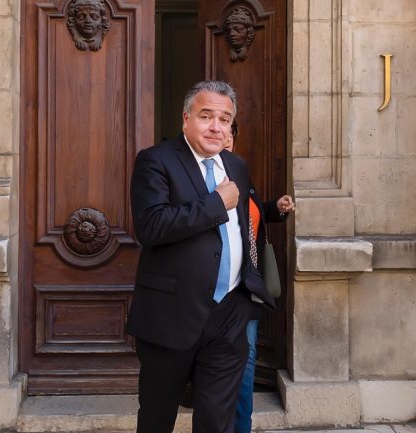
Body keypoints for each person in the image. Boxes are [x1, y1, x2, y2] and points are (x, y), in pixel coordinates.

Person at [127, 80, 275, 433]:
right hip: (171, 315)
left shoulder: (236, 166)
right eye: (206, 116)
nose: (216, 127)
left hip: (229, 313)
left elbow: (243, 228)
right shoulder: (155, 161)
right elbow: (150, 227)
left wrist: (247, 292)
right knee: (157, 418)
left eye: (224, 120)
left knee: (216, 421)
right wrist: (214, 204)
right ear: (186, 119)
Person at [224, 122, 295, 433]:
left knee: (247, 360)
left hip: (246, 286)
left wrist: (274, 209)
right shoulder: (194, 177)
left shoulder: (241, 174)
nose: (223, 136)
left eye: (229, 130)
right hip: (210, 289)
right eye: (213, 124)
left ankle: (241, 428)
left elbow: (248, 215)